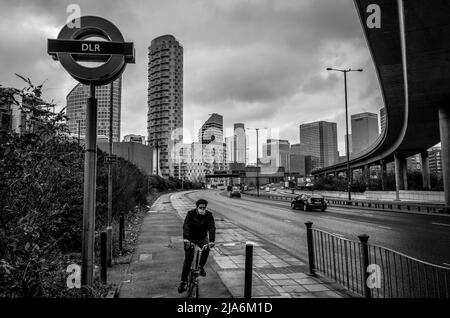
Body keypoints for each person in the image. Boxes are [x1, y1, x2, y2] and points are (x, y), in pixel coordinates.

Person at [177, 199, 216, 293]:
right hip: (190, 238)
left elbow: (212, 227)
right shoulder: (190, 214)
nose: (202, 209)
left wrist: (211, 241)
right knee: (188, 259)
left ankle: (201, 266)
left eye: (204, 208)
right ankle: (183, 281)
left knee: (206, 248)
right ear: (197, 207)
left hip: (202, 237)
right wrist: (186, 239)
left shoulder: (209, 215)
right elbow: (186, 226)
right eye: (200, 207)